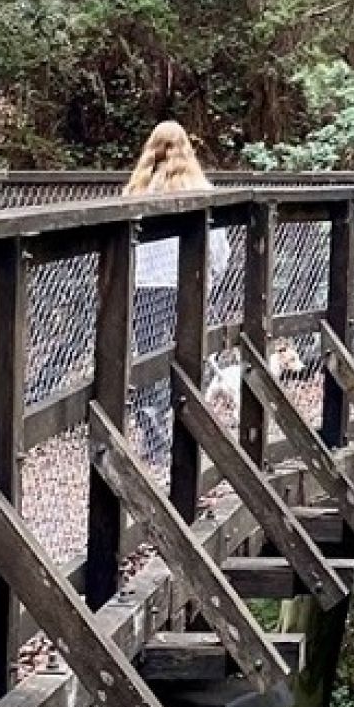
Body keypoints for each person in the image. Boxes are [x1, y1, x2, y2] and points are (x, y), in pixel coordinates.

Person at [124, 121, 228, 458]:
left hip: (144, 287)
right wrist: (213, 274)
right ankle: (184, 428)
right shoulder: (199, 189)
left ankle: (152, 429)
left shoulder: (135, 192)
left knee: (147, 358)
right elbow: (218, 247)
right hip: (187, 286)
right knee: (188, 354)